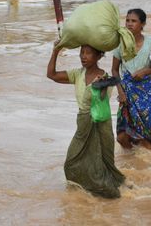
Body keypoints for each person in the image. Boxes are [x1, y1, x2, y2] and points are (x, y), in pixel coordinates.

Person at [47, 42, 125, 198]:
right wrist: (55, 51)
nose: (83, 56)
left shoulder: (105, 77)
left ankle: (111, 196)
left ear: (98, 56)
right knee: (71, 162)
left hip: (101, 124)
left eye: (88, 53)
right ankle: (87, 190)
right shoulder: (77, 74)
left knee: (104, 162)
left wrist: (99, 86)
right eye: (82, 52)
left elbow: (101, 99)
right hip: (83, 124)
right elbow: (52, 75)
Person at [112, 9, 151, 150]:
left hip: (147, 94)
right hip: (127, 93)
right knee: (121, 137)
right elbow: (114, 70)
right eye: (127, 20)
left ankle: (146, 165)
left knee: (145, 140)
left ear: (142, 24)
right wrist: (121, 92)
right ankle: (131, 159)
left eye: (134, 21)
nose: (129, 24)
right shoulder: (120, 44)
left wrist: (146, 71)